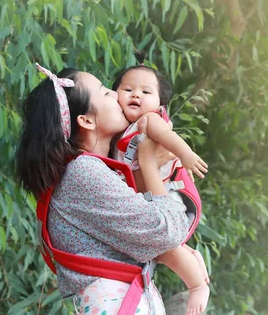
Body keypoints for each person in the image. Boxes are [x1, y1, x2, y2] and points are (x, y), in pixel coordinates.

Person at [16, 64, 190, 314]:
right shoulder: (83, 173)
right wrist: (149, 163)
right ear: (86, 120)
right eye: (104, 92)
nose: (116, 93)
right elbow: (166, 232)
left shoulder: (88, 172)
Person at [112, 63, 210, 315]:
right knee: (161, 248)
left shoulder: (148, 120)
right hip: (156, 198)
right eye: (128, 89)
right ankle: (189, 257)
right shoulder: (119, 133)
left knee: (163, 244)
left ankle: (198, 285)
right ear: (115, 96)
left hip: (175, 196)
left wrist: (185, 153)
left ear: (158, 104)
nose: (136, 95)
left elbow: (166, 136)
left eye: (146, 92)